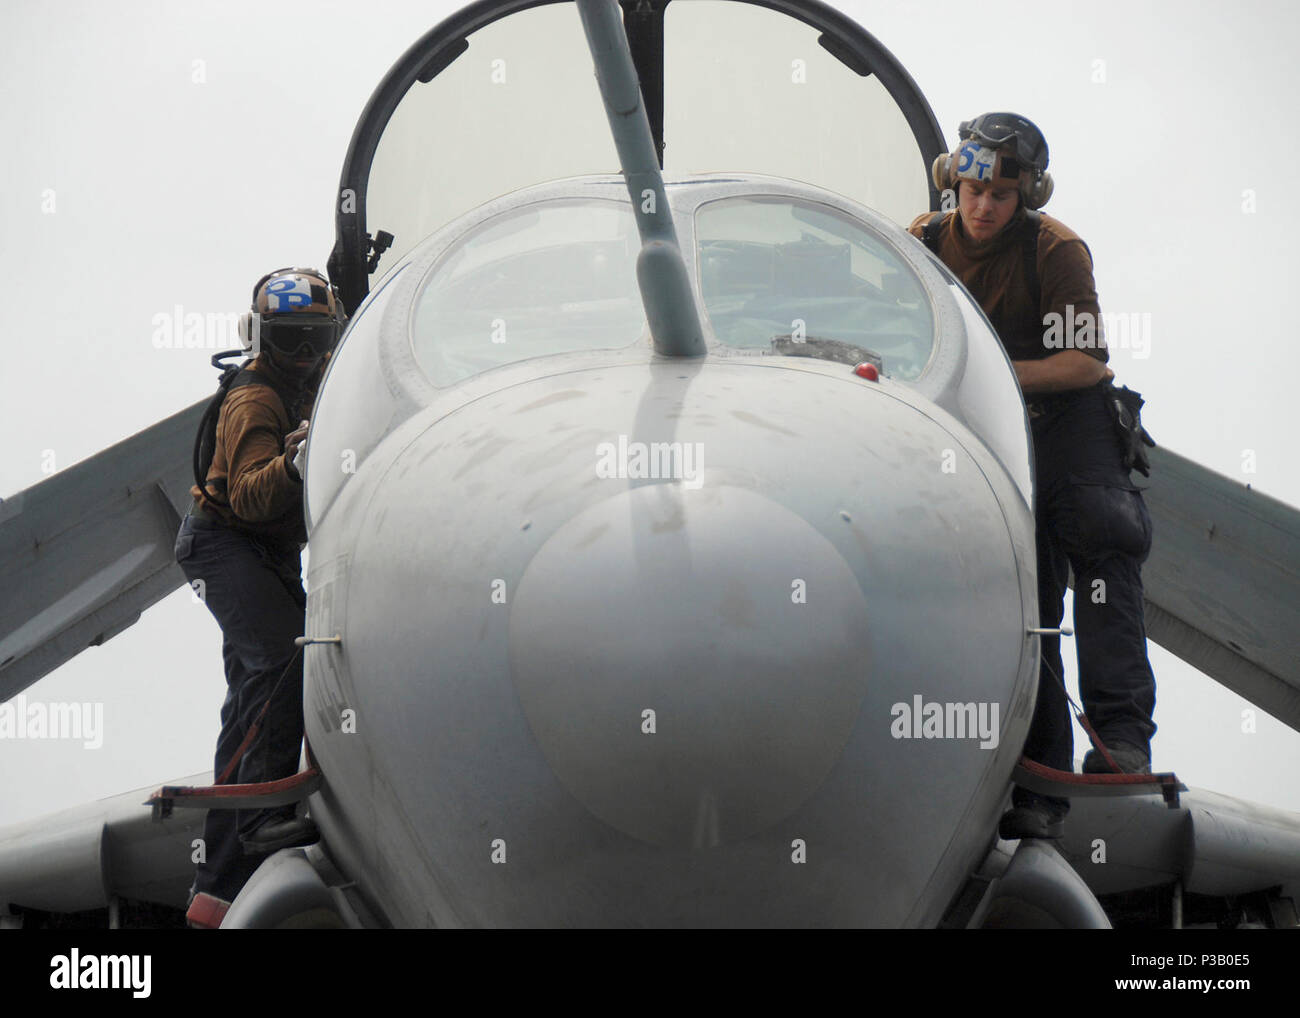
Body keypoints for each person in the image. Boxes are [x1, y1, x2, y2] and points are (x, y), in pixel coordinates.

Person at [910, 113, 1157, 840]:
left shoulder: (1056, 249)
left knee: (1102, 536)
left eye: (1001, 195)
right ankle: (1039, 773)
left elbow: (1087, 363)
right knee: (1022, 583)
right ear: (954, 180)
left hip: (1067, 417)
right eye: (973, 188)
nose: (982, 206)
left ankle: (1119, 739)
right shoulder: (922, 243)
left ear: (1027, 198)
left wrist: (992, 370)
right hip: (988, 421)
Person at [174, 266, 342, 926]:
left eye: (316, 339)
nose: (305, 356)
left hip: (258, 552)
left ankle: (217, 882)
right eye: (291, 342)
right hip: (224, 545)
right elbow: (247, 493)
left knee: (252, 694)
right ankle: (261, 819)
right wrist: (297, 462)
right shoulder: (255, 402)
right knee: (282, 664)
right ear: (263, 342)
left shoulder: (315, 384)